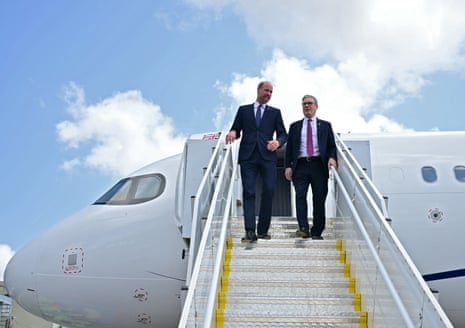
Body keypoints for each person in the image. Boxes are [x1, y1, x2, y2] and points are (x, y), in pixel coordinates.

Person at [226, 81, 288, 242]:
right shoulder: (243, 110)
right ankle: (250, 230)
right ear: (258, 90)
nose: (268, 94)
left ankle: (262, 230)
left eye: (271, 92)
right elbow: (236, 128)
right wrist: (233, 133)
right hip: (248, 156)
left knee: (269, 190)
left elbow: (283, 134)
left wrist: (278, 142)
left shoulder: (275, 113)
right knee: (249, 192)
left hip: (267, 156)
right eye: (266, 90)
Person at [284, 95, 337, 239]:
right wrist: (288, 166)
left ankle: (317, 231)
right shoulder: (295, 126)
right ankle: (303, 228)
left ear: (316, 106)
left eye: (309, 103)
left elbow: (332, 146)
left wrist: (332, 158)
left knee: (319, 198)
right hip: (300, 165)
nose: (306, 106)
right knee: (300, 196)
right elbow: (289, 150)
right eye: (304, 104)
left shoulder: (325, 125)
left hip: (318, 165)